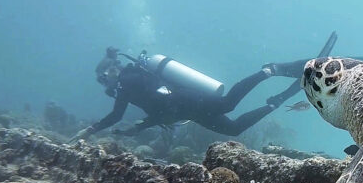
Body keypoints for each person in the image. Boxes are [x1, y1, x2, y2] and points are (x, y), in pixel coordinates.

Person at [71, 33, 342, 140]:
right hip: (184, 110)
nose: (104, 85)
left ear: (110, 71)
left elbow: (120, 114)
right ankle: (276, 100)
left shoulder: (126, 80)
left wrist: (91, 129)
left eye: (103, 79)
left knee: (228, 104)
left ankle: (266, 71)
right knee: (234, 129)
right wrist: (140, 126)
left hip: (185, 101)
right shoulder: (127, 83)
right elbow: (154, 109)